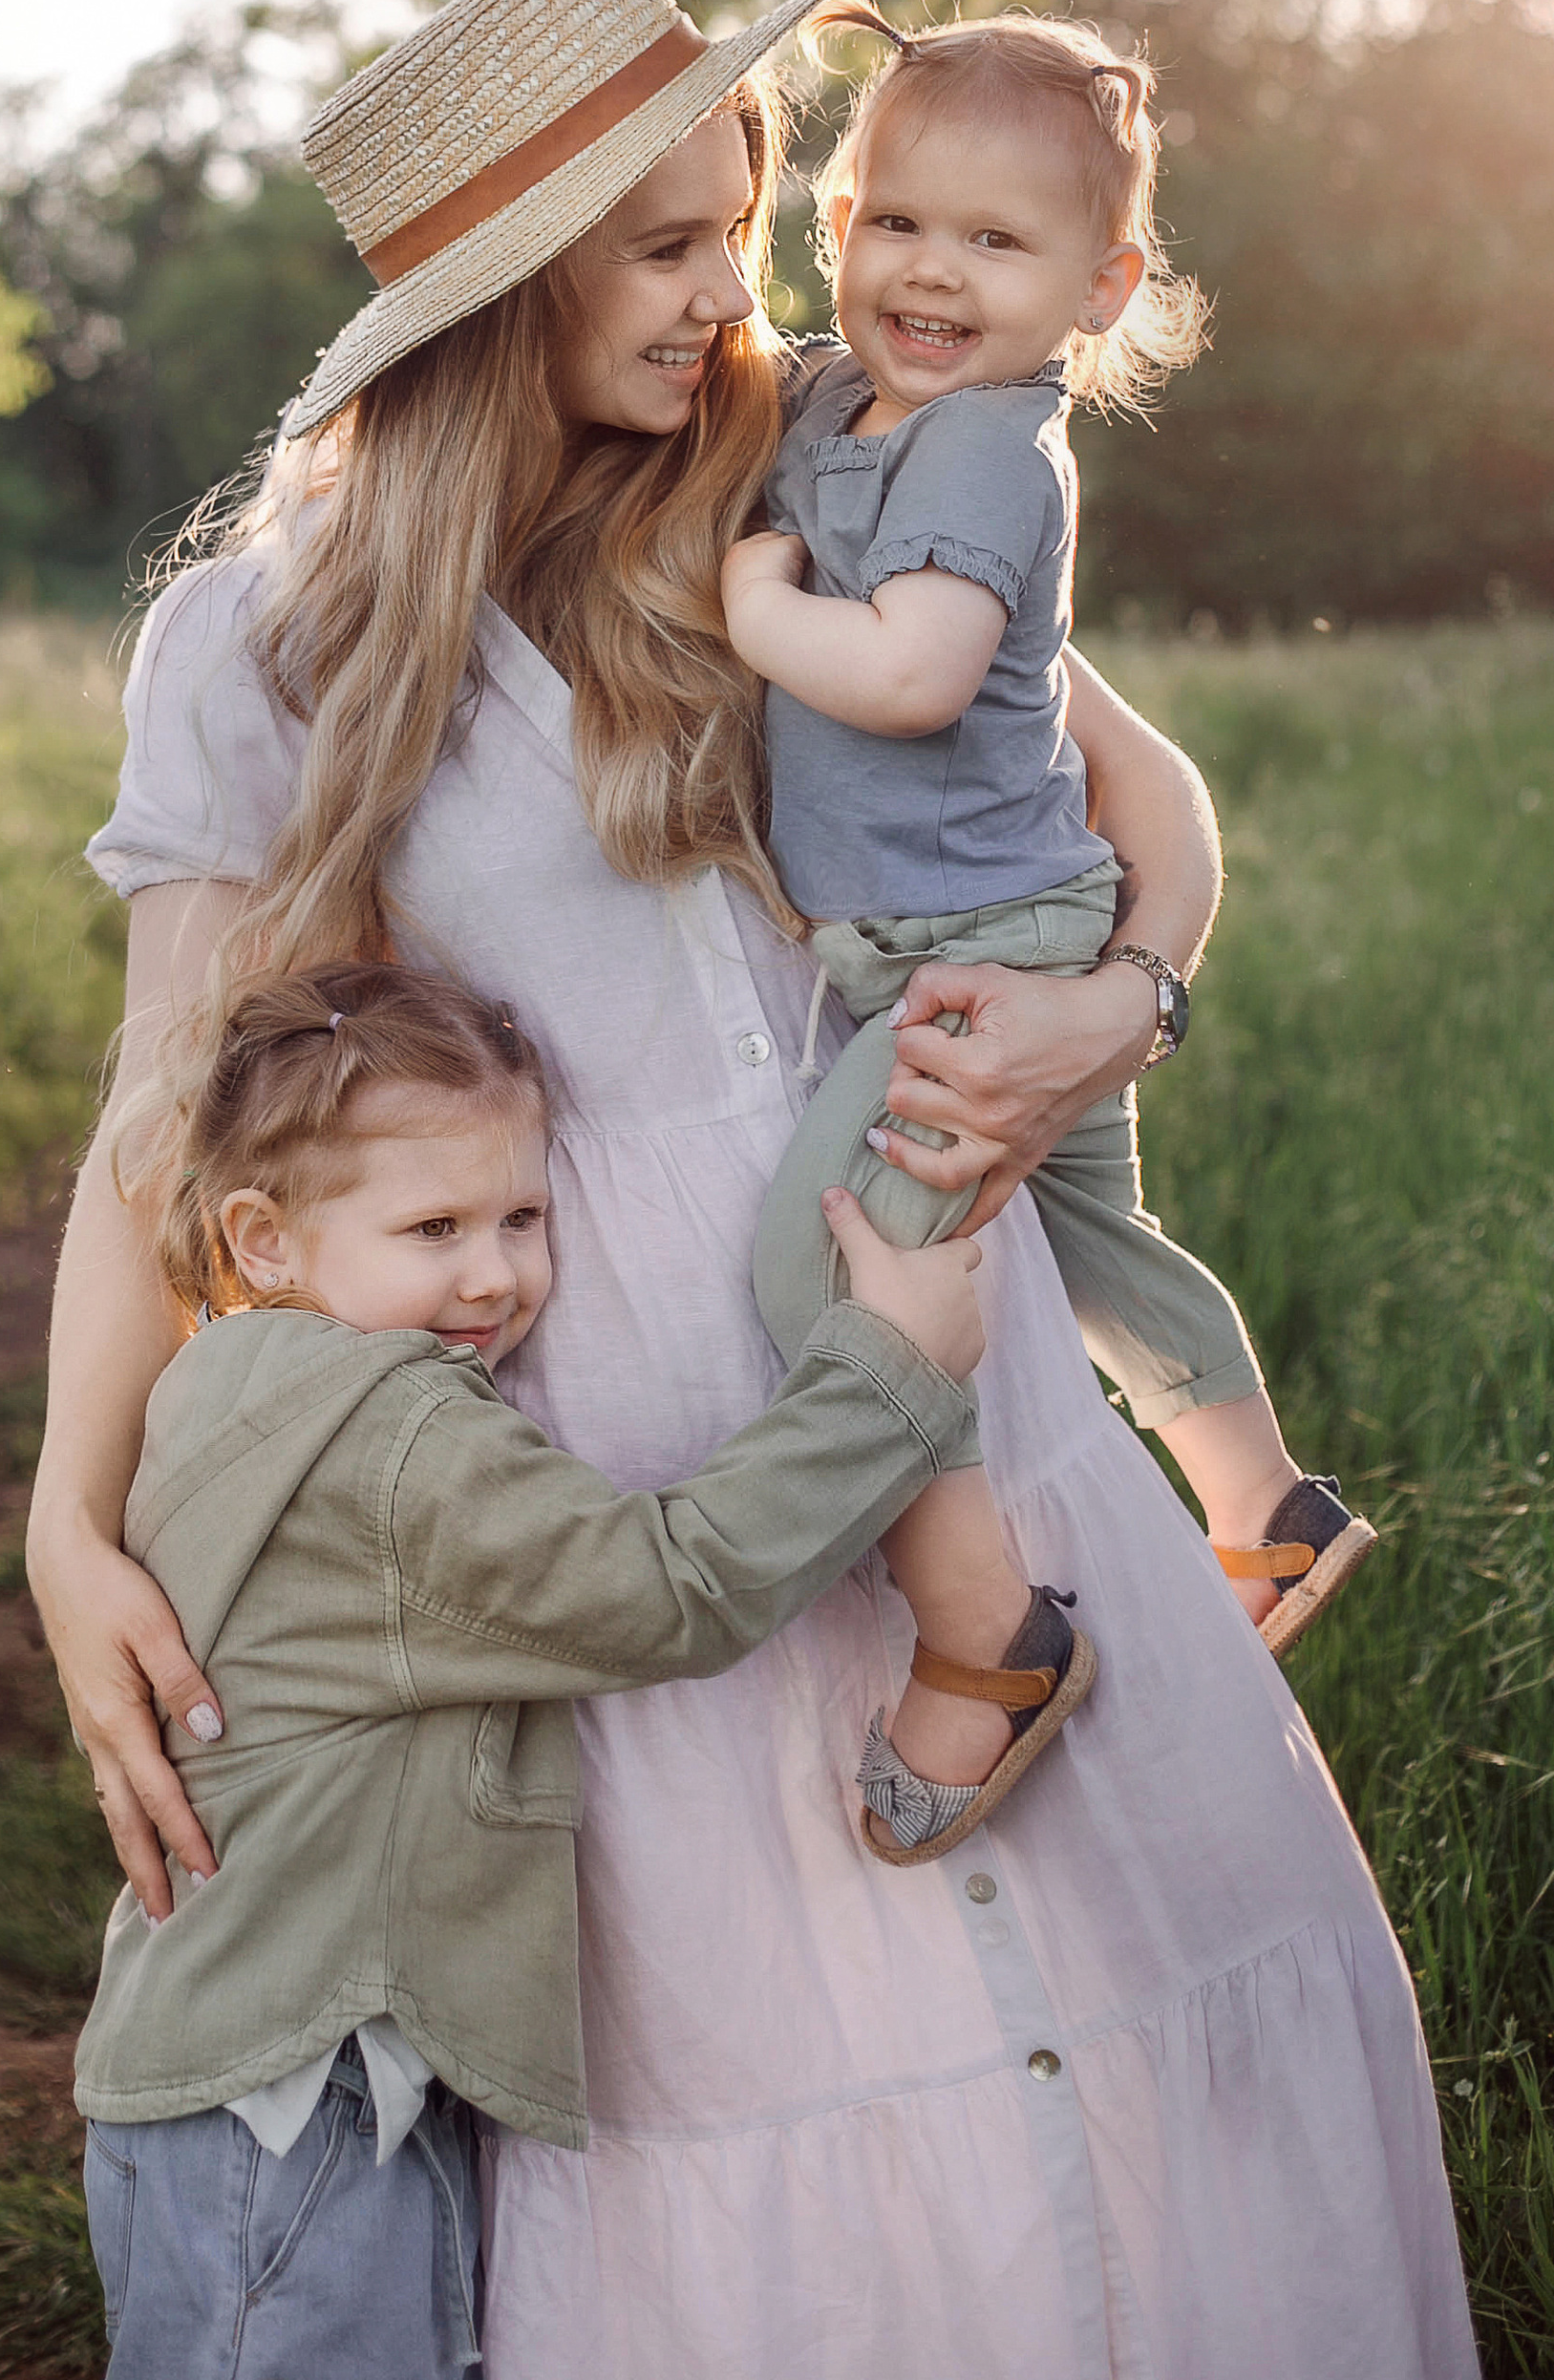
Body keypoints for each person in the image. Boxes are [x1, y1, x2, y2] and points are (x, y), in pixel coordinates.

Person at [30, 0, 1478, 2379]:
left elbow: (1145, 799)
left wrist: (1114, 1009)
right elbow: (164, 1125)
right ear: (502, 290)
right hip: (626, 1460)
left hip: (956, 1341)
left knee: (1149, 1994)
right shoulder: (267, 643)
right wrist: (69, 1523)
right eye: (676, 240)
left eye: (744, 216)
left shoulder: (809, 466)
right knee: (781, 2084)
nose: (742, 291)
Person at [75, 955, 990, 2380]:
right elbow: (661, 1589)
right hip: (299, 2102)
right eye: (433, 1225)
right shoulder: (390, 1432)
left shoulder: (224, 1381)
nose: (493, 1273)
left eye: (523, 1215)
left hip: (229, 2070)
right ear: (262, 1236)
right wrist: (884, 1377)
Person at [729, 7, 1374, 1867]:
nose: (931, 273)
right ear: (835, 218)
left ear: (1095, 289)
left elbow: (917, 676)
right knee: (1093, 1239)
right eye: (895, 223)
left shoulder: (990, 456)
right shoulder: (851, 403)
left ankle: (984, 1638)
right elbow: (752, 378)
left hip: (971, 956)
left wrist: (748, 605)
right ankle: (1262, 1499)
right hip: (1014, 913)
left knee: (826, 1268)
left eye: (995, 244)